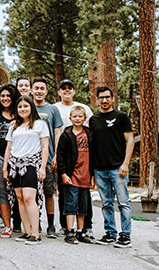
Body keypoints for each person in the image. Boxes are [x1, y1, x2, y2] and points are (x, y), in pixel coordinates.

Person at [90, 86, 134, 248]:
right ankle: (110, 233)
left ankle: (125, 235)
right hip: (100, 169)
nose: (104, 100)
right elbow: (93, 146)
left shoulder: (121, 117)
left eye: (107, 97)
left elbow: (130, 140)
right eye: (101, 97)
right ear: (97, 100)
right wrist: (93, 172)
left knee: (123, 203)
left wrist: (126, 163)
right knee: (106, 203)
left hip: (118, 168)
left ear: (113, 99)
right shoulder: (94, 120)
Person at [3, 96, 49, 245]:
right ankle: (27, 231)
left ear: (31, 107)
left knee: (29, 198)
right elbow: (8, 148)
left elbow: (45, 147)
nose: (23, 109)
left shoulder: (40, 124)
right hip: (15, 165)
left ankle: (36, 233)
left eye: (26, 106)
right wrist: (5, 168)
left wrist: (42, 167)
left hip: (31, 164)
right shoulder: (14, 126)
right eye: (20, 107)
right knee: (20, 198)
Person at [54, 79, 94, 239]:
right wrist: (62, 170)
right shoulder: (65, 130)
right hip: (70, 171)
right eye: (63, 88)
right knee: (68, 201)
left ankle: (82, 230)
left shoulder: (88, 131)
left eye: (69, 88)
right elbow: (61, 153)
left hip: (85, 174)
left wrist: (93, 175)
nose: (66, 90)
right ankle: (67, 229)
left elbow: (94, 152)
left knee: (83, 204)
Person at [31, 77, 63, 239]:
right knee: (32, 193)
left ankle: (51, 225)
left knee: (49, 192)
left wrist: (56, 154)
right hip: (30, 158)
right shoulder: (26, 107)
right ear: (31, 90)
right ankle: (35, 223)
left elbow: (57, 132)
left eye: (42, 88)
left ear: (46, 91)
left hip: (48, 157)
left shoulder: (52, 109)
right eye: (36, 88)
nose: (39, 91)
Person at [0, 84, 20, 238]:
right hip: (0, 156)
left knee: (19, 191)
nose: (5, 99)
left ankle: (21, 224)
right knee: (2, 191)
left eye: (8, 96)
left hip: (18, 156)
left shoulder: (20, 112)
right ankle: (7, 225)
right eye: (3, 96)